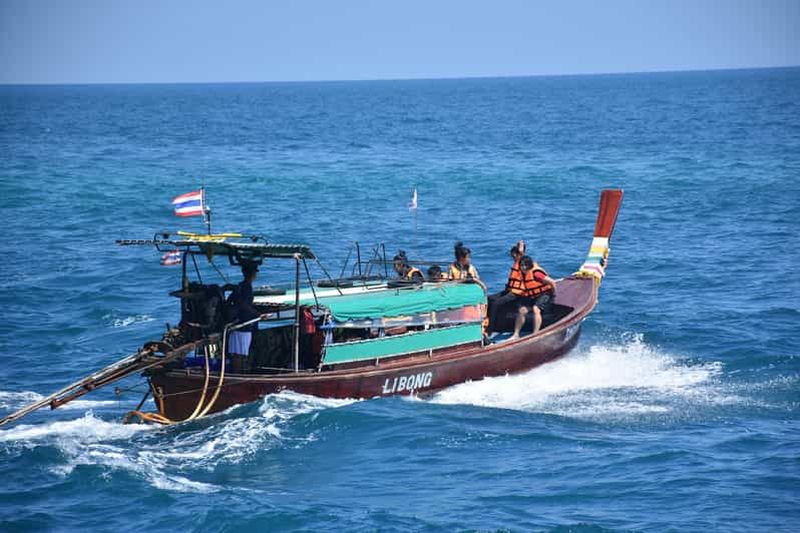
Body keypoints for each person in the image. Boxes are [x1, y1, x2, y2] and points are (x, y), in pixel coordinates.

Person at [509, 255, 557, 340]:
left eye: (525, 265)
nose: (523, 267)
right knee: (522, 310)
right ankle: (516, 334)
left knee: (536, 308)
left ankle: (535, 334)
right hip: (533, 295)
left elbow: (552, 282)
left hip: (545, 294)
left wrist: (553, 294)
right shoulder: (522, 274)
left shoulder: (536, 273)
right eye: (521, 265)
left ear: (529, 265)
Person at [227, 261, 261, 373]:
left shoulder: (240, 286)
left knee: (238, 352)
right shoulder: (246, 287)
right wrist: (257, 314)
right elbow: (243, 304)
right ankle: (238, 373)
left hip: (238, 323)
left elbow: (232, 300)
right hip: (243, 324)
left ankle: (238, 371)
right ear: (252, 274)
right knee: (240, 353)